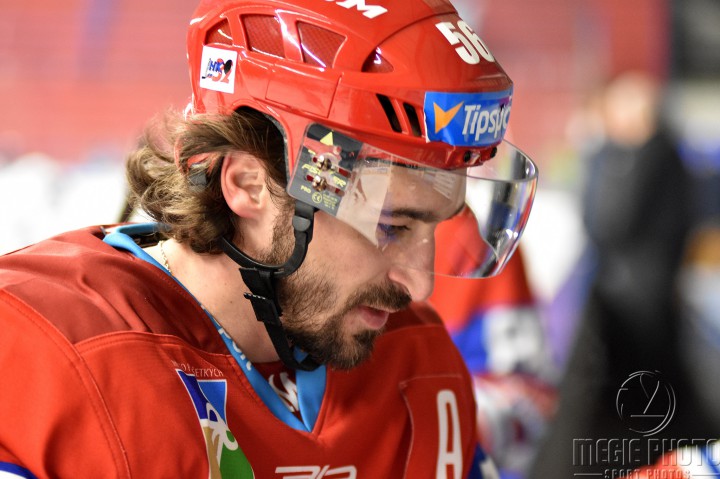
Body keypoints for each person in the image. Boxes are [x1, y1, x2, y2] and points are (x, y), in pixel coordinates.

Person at [0, 0, 539, 477]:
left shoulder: (418, 365)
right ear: (247, 184)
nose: (420, 286)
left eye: (434, 225)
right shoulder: (39, 357)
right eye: (392, 226)